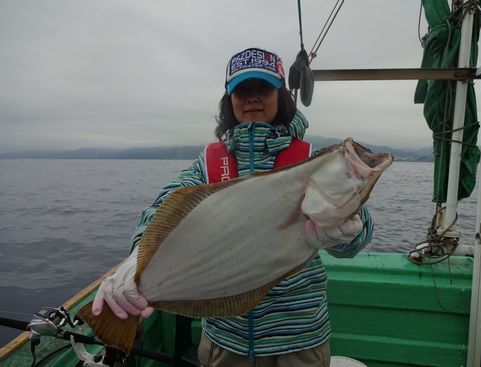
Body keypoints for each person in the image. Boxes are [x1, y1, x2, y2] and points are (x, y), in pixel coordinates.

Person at [92, 47, 373, 367]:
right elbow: (165, 205)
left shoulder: (313, 160)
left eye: (263, 88)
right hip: (226, 342)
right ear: (229, 100)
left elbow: (356, 235)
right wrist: (137, 257)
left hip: (300, 339)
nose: (253, 97)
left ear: (281, 95)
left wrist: (350, 229)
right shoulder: (209, 165)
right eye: (242, 89)